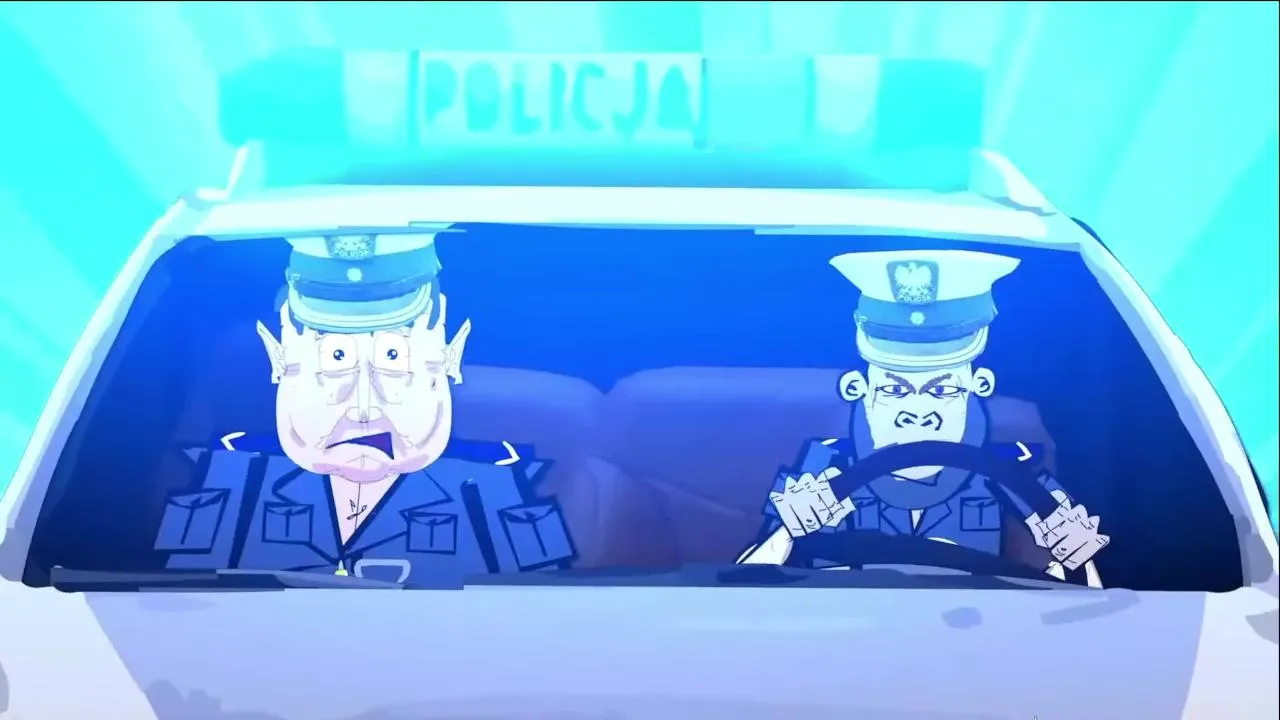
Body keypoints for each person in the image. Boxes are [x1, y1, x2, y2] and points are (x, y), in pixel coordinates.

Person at [152, 234, 576, 586]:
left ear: (449, 357)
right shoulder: (226, 484)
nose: (363, 406)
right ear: (279, 359)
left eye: (394, 359)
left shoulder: (497, 496)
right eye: (334, 360)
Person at [736, 249, 1109, 586]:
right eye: (894, 391)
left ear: (978, 385)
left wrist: (1074, 554)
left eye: (942, 391)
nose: (918, 412)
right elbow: (745, 588)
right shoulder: (824, 465)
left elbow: (1084, 593)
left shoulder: (1011, 467)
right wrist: (788, 532)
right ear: (858, 389)